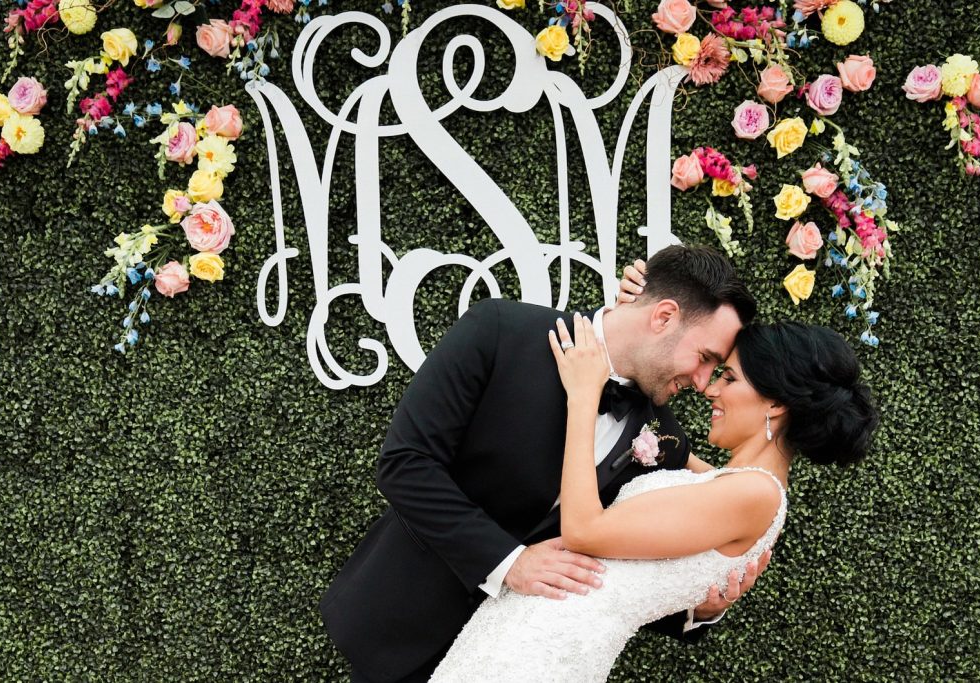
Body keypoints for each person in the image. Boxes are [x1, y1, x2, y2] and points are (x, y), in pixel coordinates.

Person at [320, 245, 766, 683]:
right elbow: (406, 463)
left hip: (518, 661)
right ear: (663, 317)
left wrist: (697, 610)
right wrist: (509, 562)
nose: (703, 383)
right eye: (705, 358)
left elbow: (621, 567)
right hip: (405, 625)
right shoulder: (499, 331)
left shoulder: (664, 440)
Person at [428, 311, 878, 681]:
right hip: (525, 640)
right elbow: (676, 462)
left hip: (538, 657)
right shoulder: (736, 485)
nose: (711, 389)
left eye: (729, 378)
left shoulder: (754, 493)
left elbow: (583, 530)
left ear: (776, 403)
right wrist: (639, 316)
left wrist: (583, 396)